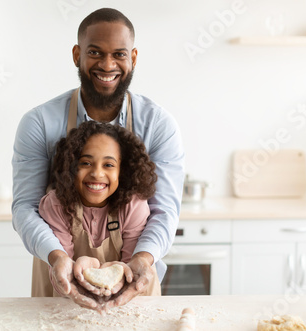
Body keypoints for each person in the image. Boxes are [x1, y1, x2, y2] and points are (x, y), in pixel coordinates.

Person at [12, 8, 185, 311]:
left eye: (119, 54)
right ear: (77, 54)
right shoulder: (39, 123)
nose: (107, 65)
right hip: (58, 282)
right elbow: (25, 208)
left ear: (133, 58)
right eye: (95, 52)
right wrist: (57, 258)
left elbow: (164, 211)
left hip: (136, 286)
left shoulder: (158, 125)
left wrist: (142, 260)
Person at [38, 121, 160, 301]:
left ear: (122, 171)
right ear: (71, 167)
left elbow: (131, 266)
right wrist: (75, 269)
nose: (97, 173)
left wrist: (124, 272)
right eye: (86, 163)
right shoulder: (56, 204)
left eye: (108, 165)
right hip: (68, 299)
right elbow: (62, 264)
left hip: (132, 300)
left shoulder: (133, 205)